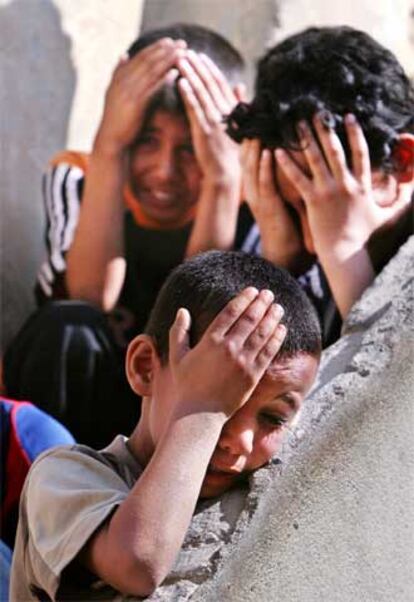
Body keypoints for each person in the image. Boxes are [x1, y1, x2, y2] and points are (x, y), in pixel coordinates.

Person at [10, 250, 321, 600]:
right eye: (225, 400)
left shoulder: (259, 490)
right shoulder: (63, 477)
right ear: (145, 367)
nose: (241, 441)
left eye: (273, 418)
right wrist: (204, 410)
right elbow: (137, 563)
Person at [3, 24, 254, 447]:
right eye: (146, 140)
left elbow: (196, 329)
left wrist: (223, 180)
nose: (163, 170)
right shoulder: (80, 178)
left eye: (190, 146)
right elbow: (90, 294)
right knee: (68, 323)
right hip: (78, 409)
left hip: (174, 423)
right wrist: (109, 148)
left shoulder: (251, 205)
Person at [227, 26, 414, 334]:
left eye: (331, 202)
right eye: (294, 209)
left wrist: (345, 253)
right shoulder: (297, 248)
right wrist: (281, 268)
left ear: (403, 162)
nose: (315, 241)